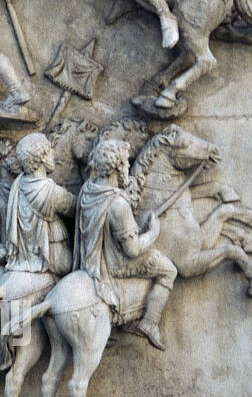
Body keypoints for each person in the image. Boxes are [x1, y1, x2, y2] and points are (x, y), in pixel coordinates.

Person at [74, 138, 178, 349]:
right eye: (126, 162)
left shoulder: (88, 190)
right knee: (169, 270)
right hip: (115, 263)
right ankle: (149, 323)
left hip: (93, 257)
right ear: (117, 167)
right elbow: (132, 249)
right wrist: (153, 232)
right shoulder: (118, 205)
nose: (129, 166)